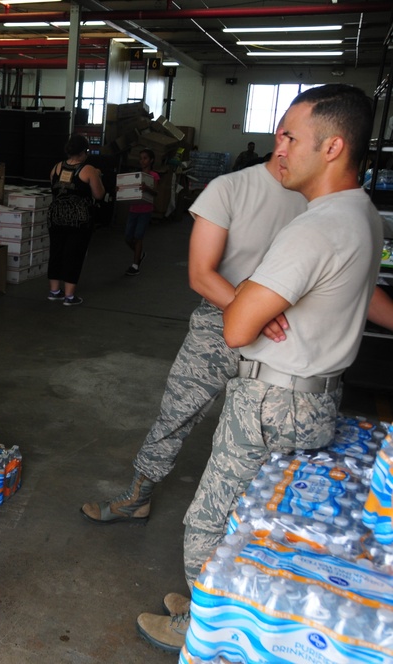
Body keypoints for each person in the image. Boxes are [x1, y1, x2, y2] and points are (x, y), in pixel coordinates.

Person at [137, 83, 383, 653]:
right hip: (316, 396)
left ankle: (202, 625)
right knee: (262, 517)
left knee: (212, 521)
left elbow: (236, 327)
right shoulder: (363, 214)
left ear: (332, 147)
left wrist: (255, 293)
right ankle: (218, 601)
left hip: (272, 401)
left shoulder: (313, 227)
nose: (280, 147)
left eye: (291, 136)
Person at [81, 148, 306, 527]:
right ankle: (139, 495)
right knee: (177, 410)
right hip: (220, 321)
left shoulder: (319, 199)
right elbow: (202, 275)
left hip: (284, 331)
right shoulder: (232, 188)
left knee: (267, 433)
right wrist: (254, 312)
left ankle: (260, 528)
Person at [46, 134, 105, 305]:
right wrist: (98, 176)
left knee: (56, 252)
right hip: (78, 220)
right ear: (83, 152)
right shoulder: (89, 170)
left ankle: (54, 291)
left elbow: (54, 189)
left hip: (56, 217)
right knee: (74, 254)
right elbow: (99, 195)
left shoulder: (56, 167)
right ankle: (69, 296)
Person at [124, 148, 159, 276]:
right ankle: (139, 254)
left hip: (145, 210)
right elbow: (128, 189)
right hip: (133, 209)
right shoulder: (136, 175)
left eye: (145, 158)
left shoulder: (154, 175)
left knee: (138, 236)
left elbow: (156, 192)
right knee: (128, 237)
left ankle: (135, 265)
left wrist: (147, 188)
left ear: (151, 160)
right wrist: (121, 189)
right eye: (141, 158)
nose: (142, 161)